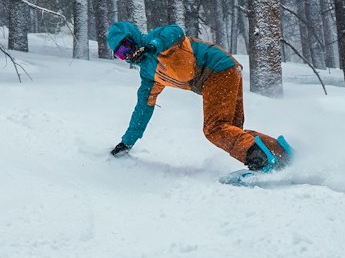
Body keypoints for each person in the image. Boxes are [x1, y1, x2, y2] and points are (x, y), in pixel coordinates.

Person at [106, 20, 289, 171]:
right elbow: (143, 109)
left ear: (135, 38)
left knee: (214, 129)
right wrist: (127, 143)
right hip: (226, 71)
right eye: (121, 54)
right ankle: (280, 153)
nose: (128, 54)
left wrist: (153, 47)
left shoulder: (156, 40)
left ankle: (260, 159)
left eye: (127, 46)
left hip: (216, 69)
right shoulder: (148, 76)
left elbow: (175, 31)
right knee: (231, 129)